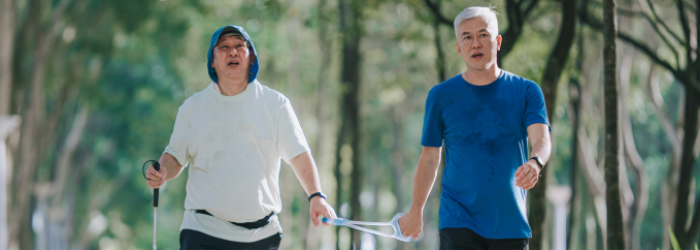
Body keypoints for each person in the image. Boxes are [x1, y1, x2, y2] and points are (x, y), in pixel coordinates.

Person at [144, 25, 336, 250]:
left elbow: (299, 154)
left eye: (239, 46)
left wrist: (316, 196)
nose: (232, 52)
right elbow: (175, 157)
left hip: (261, 236)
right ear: (212, 61)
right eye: (223, 47)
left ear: (251, 57)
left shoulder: (276, 105)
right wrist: (162, 172)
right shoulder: (192, 107)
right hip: (202, 232)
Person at [398, 6, 552, 250]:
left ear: (498, 41)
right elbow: (429, 158)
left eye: (483, 35)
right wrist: (416, 210)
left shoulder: (526, 91)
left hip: (510, 223)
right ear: (459, 48)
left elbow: (542, 140)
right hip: (458, 220)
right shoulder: (440, 97)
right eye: (467, 37)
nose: (475, 44)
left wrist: (535, 162)